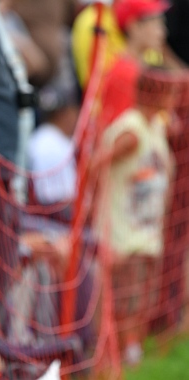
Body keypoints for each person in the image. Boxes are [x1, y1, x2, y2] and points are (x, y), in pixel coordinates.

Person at [92, 66, 177, 365]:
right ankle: (117, 357)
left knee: (140, 297)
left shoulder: (156, 125)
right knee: (126, 299)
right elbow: (95, 167)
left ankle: (127, 354)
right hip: (123, 234)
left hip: (144, 230)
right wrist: (98, 219)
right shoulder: (131, 131)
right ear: (156, 92)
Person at [96, 0, 169, 131]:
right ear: (134, 26)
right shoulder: (125, 72)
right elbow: (119, 131)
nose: (162, 32)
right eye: (156, 24)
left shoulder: (137, 66)